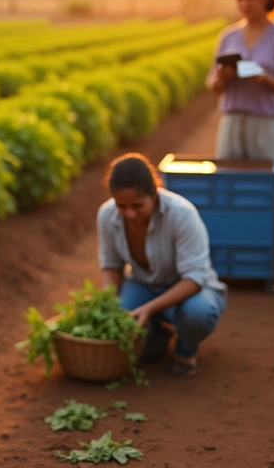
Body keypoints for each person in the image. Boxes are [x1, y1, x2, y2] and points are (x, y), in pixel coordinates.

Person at [207, 0, 274, 295]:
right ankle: (233, 263)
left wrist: (265, 79)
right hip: (232, 123)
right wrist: (221, 80)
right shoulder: (228, 36)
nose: (245, 3)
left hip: (268, 124)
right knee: (230, 194)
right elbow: (213, 83)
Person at [98, 153, 228, 378]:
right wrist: (106, 300)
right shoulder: (107, 215)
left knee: (198, 315)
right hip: (142, 286)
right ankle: (157, 335)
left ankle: (186, 350)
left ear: (154, 192)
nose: (129, 214)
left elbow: (195, 278)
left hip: (186, 288)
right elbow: (112, 264)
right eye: (122, 206)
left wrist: (150, 308)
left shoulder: (182, 215)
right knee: (121, 329)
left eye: (138, 206)